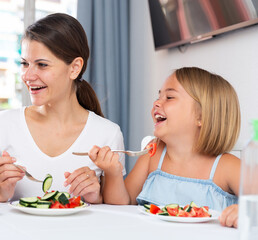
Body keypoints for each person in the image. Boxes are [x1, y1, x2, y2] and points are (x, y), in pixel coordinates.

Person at [0, 13, 126, 203]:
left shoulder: (107, 134)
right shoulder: (2, 125)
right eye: (24, 63)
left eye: (42, 65)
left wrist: (96, 197)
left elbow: (117, 217)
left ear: (75, 68)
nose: (27, 76)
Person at [89, 67, 240, 227]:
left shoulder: (228, 167)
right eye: (159, 96)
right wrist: (113, 173)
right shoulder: (153, 155)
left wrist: (245, 211)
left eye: (169, 97)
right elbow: (122, 205)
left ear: (201, 116)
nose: (156, 102)